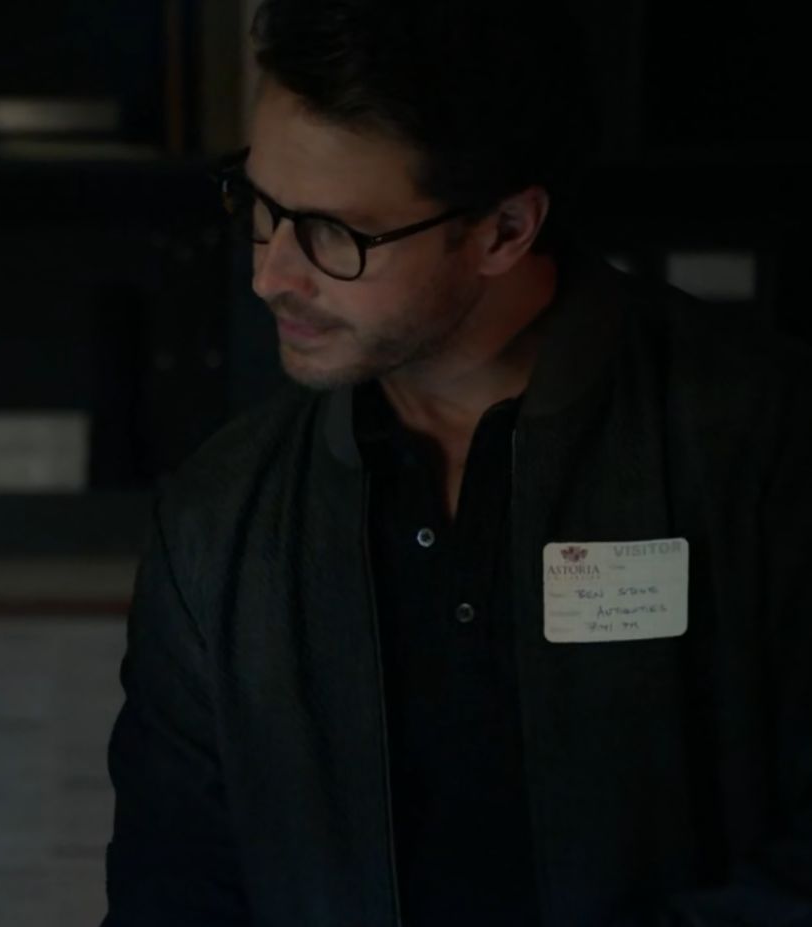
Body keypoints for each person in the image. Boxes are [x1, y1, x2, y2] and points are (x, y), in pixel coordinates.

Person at [103, 0, 811, 924]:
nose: (270, 274)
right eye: (260, 207)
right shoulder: (221, 514)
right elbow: (171, 889)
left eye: (333, 233)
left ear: (504, 230)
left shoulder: (762, 441)